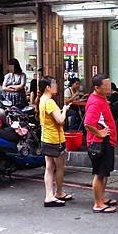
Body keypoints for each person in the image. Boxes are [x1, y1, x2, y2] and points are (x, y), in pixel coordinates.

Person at [84, 74, 118, 214]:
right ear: (97, 88)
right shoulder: (96, 102)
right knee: (99, 173)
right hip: (99, 143)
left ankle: (101, 199)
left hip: (105, 141)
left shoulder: (100, 99)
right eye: (107, 86)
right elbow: (88, 123)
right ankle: (98, 204)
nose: (109, 88)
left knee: (104, 173)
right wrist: (100, 133)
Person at [38, 76, 73, 207]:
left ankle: (49, 195)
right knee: (59, 167)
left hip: (46, 137)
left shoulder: (42, 100)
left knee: (49, 167)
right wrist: (64, 110)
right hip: (55, 139)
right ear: (48, 87)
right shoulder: (50, 102)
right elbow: (60, 120)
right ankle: (57, 193)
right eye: (54, 83)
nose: (56, 85)